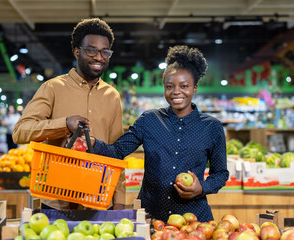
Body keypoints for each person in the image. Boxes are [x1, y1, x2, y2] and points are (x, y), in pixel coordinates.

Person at [89, 45, 229, 222]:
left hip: (194, 220)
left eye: (184, 86)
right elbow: (118, 151)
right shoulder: (149, 120)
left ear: (195, 88)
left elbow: (221, 174)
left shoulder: (212, 127)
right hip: (152, 218)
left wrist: (201, 187)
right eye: (169, 86)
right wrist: (92, 143)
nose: (176, 92)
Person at [12, 18, 126, 210]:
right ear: (77, 51)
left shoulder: (112, 96)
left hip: (97, 199)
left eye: (105, 52)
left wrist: (120, 200)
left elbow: (116, 151)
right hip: (57, 201)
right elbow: (20, 132)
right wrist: (63, 124)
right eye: (91, 50)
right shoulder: (53, 88)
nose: (99, 57)